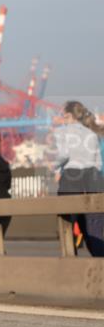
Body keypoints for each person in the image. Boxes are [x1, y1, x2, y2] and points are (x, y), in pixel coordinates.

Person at [51, 101, 104, 257]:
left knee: (67, 226)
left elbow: (64, 154)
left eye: (63, 115)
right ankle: (100, 263)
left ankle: (70, 265)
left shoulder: (62, 132)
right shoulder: (92, 134)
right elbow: (98, 164)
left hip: (71, 179)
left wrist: (55, 167)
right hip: (93, 180)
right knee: (94, 231)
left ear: (69, 115)